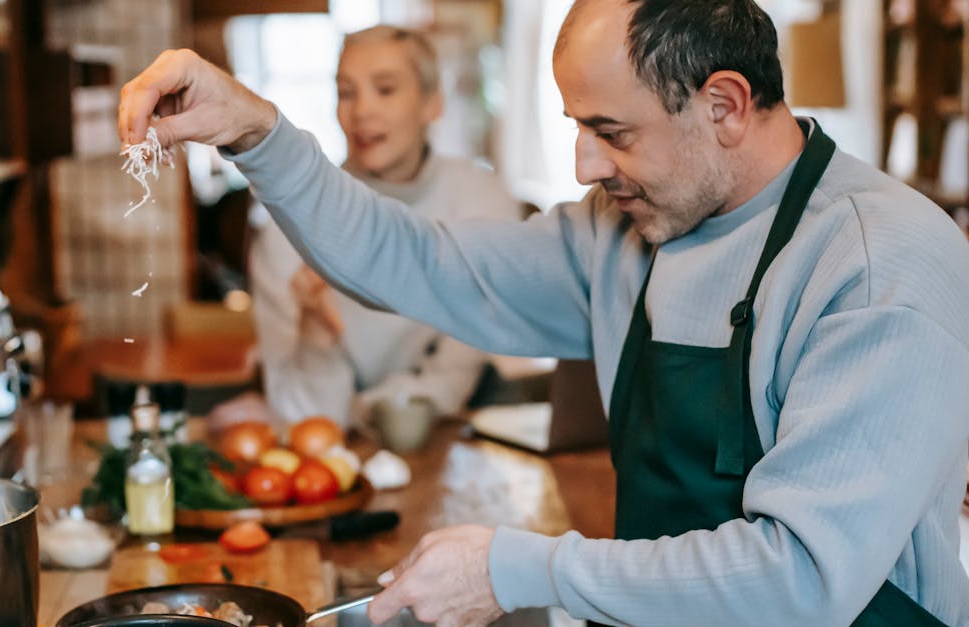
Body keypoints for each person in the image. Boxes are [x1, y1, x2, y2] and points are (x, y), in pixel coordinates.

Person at [118, 0, 969, 625]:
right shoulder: (620, 236)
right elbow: (420, 263)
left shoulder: (876, 263)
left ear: (724, 106)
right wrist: (257, 135)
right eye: (575, 126)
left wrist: (525, 566)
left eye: (612, 131)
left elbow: (803, 581)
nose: (583, 164)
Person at [249, 25, 519, 429]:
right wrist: (317, 341)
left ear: (433, 103)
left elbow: (451, 380)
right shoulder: (286, 230)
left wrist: (364, 409)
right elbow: (304, 421)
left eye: (386, 89)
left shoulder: (483, 203)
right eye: (346, 92)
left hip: (441, 440)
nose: (362, 112)